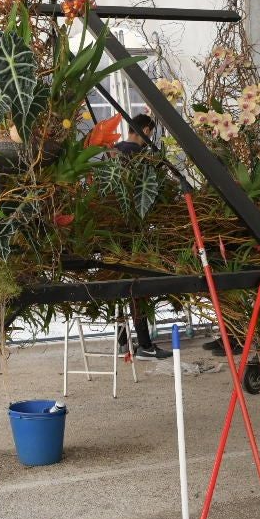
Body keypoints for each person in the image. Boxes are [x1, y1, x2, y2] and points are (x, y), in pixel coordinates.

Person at [112, 114, 171, 359]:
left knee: (118, 285)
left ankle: (123, 340)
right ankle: (145, 345)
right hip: (135, 228)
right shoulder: (141, 157)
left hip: (113, 229)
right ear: (146, 129)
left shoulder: (112, 153)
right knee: (139, 285)